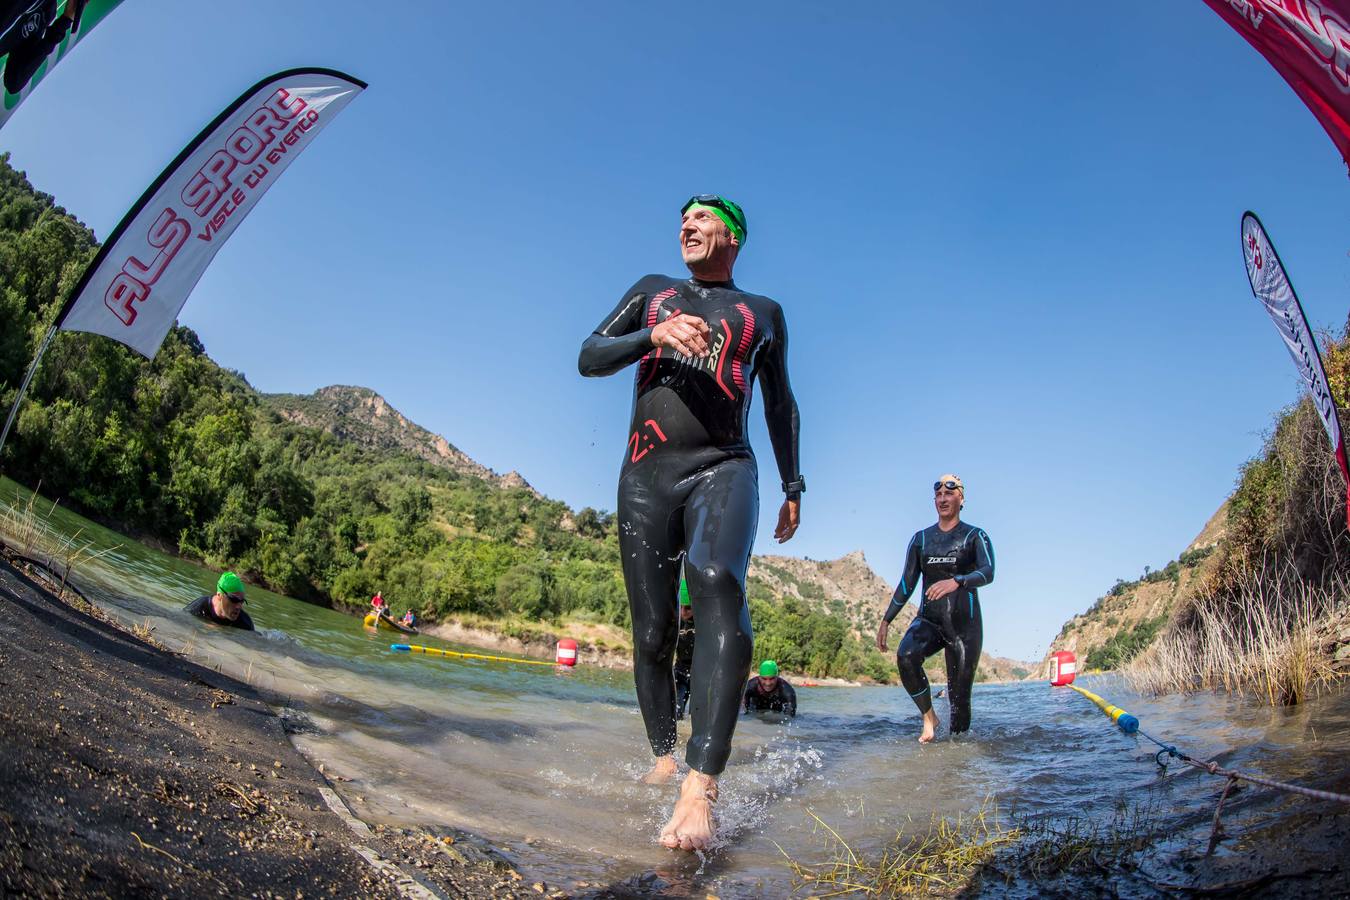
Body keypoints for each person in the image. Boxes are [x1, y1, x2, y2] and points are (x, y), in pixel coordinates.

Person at [578, 193, 803, 852]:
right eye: (684, 218)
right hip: (645, 478)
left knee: (713, 578)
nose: (687, 225)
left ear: (732, 235)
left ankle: (700, 786)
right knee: (651, 633)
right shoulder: (652, 293)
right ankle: (661, 757)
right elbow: (590, 355)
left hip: (724, 466)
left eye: (703, 218)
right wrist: (653, 334)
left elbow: (781, 404)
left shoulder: (762, 313)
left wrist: (793, 485)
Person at [875, 474, 994, 743]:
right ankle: (929, 716)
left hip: (965, 627)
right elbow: (906, 584)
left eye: (949, 494)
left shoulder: (975, 536)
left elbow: (989, 572)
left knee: (959, 699)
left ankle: (955, 763)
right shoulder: (921, 540)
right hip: (930, 620)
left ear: (961, 498)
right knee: (906, 656)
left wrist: (957, 582)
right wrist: (886, 621)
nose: (943, 499)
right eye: (938, 495)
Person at [184, 571, 254, 631]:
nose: (239, 606)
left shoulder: (245, 623)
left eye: (241, 601)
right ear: (219, 595)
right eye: (234, 599)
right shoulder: (199, 607)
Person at [673, 581, 695, 720]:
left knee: (696, 716)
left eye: (687, 608)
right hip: (680, 671)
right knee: (677, 711)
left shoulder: (703, 622)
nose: (683, 612)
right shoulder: (675, 620)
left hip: (699, 675)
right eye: (680, 607)